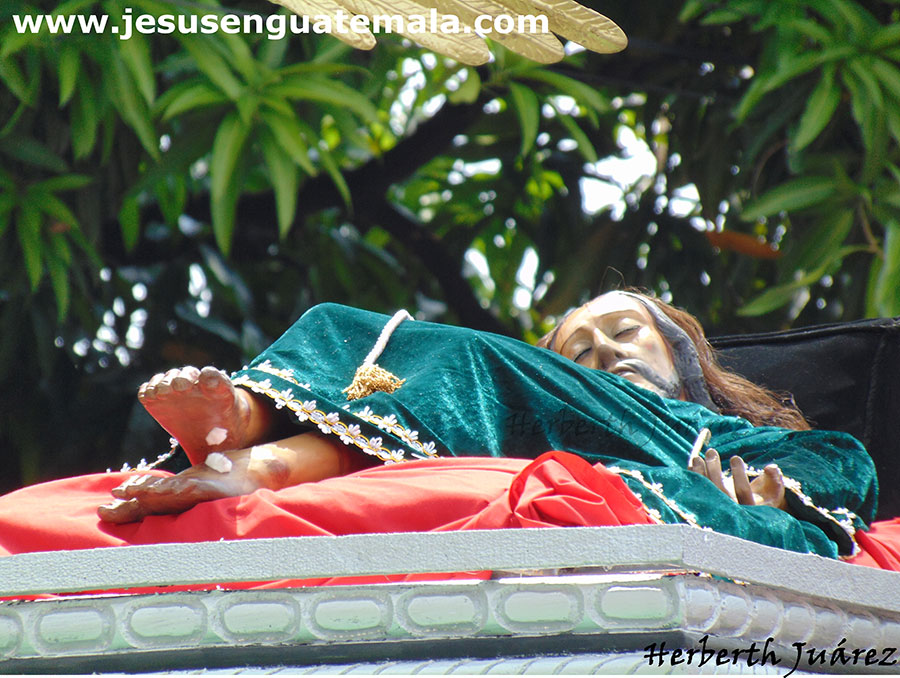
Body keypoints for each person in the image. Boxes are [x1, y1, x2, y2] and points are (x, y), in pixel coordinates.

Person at [83, 291, 877, 563]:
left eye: (624, 334)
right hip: (546, 437)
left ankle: (255, 444)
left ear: (685, 354)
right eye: (578, 353)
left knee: (466, 357)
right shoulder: (538, 402)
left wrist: (765, 500)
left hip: (661, 453)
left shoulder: (746, 437)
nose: (604, 353)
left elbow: (842, 467)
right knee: (338, 324)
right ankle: (244, 428)